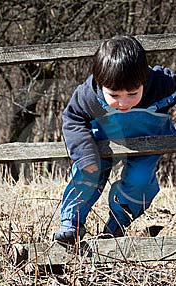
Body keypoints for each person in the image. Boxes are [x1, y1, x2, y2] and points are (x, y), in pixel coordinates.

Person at [54, 35, 176, 245]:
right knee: (87, 174)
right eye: (114, 95)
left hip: (147, 140)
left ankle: (116, 226)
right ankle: (70, 224)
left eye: (132, 93)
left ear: (144, 80)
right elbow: (72, 118)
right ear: (101, 84)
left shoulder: (163, 85)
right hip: (104, 138)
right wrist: (85, 155)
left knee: (139, 182)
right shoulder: (89, 95)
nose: (123, 102)